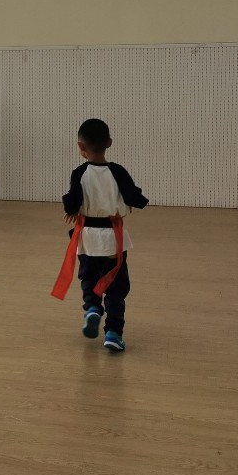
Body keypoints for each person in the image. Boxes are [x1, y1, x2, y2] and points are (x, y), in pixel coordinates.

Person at [53, 118, 148, 352]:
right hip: (113, 238)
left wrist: (71, 209)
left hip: (87, 238)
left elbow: (72, 201)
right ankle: (113, 333)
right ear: (109, 143)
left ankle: (92, 308)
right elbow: (134, 197)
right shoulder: (118, 172)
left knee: (88, 277)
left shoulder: (79, 173)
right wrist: (135, 200)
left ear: (80, 146)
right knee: (116, 287)